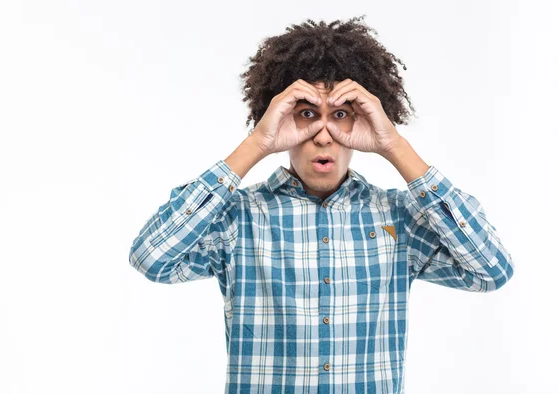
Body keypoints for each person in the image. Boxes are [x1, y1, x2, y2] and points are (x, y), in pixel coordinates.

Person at [129, 16, 515, 394]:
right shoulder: (238, 217)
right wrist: (256, 144)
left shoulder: (399, 218)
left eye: (341, 116)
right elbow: (151, 257)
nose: (323, 136)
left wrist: (393, 145)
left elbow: (491, 270)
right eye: (308, 114)